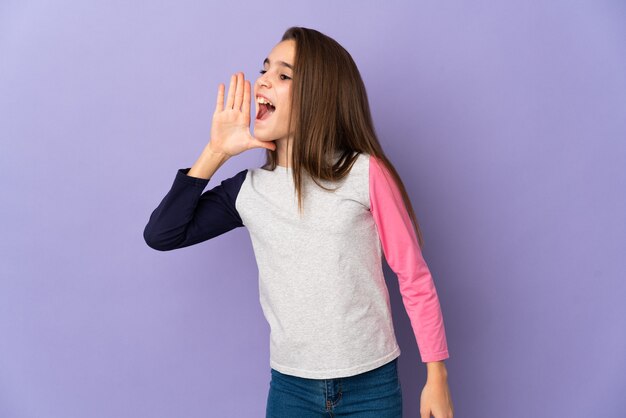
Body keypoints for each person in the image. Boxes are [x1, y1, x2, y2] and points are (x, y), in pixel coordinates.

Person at [143, 26, 454, 418]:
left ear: (318, 96)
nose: (263, 81)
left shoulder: (364, 173)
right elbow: (162, 234)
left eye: (283, 75)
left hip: (371, 386)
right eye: (265, 69)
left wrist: (436, 375)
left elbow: (413, 275)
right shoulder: (248, 191)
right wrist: (216, 151)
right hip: (291, 389)